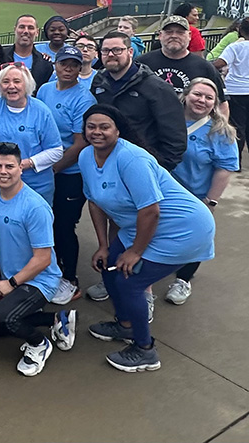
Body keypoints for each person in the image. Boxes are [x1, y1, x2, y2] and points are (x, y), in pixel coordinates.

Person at [80, 105, 215, 372]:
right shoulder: (86, 156)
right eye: (91, 126)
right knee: (107, 267)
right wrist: (104, 246)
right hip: (140, 225)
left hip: (183, 229)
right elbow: (95, 202)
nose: (97, 132)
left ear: (118, 130)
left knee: (129, 282)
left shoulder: (132, 159)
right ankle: (125, 325)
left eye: (104, 127)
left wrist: (135, 252)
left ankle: (145, 350)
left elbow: (150, 210)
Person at [0, 142, 75, 377]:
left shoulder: (35, 207)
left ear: (20, 168)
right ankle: (57, 318)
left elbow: (42, 260)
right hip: (6, 277)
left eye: (9, 166)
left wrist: (10, 284)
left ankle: (39, 344)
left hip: (39, 280)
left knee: (3, 318)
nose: (3, 171)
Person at [164, 79, 238, 305]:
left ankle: (183, 279)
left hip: (195, 197)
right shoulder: (166, 120)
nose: (202, 101)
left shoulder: (220, 132)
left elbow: (224, 168)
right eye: (197, 94)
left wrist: (210, 201)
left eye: (209, 98)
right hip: (164, 193)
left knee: (195, 239)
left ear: (215, 103)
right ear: (185, 95)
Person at [36, 46, 97, 304]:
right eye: (64, 63)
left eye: (74, 64)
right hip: (45, 168)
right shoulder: (45, 89)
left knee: (63, 225)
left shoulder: (84, 98)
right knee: (44, 223)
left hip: (68, 172)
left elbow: (80, 143)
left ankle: (71, 279)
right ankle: (48, 269)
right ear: (56, 65)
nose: (68, 68)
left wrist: (54, 169)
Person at [90, 31, 186, 171]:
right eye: (105, 50)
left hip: (141, 166)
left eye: (117, 50)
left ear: (130, 52)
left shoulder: (156, 88)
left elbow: (175, 137)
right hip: (105, 164)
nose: (110, 54)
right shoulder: (99, 81)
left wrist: (158, 167)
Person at [0, 63, 63, 206]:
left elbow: (56, 151)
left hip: (36, 186)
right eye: (6, 81)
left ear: (27, 84)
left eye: (17, 81)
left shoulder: (41, 111)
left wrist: (24, 164)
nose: (11, 86)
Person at [138, 15, 227, 117]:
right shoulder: (142, 63)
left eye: (180, 32)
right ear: (160, 35)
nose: (174, 36)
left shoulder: (205, 67)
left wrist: (221, 130)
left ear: (189, 35)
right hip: (147, 125)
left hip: (189, 128)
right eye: (169, 32)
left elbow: (222, 103)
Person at [214, 19, 249, 160]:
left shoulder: (235, 47)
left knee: (237, 126)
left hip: (236, 91)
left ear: (240, 30)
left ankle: (236, 160)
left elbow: (220, 63)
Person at [3, 15, 53, 91]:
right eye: (22, 27)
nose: (26, 31)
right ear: (15, 29)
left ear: (37, 32)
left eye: (30, 28)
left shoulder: (45, 63)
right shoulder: (1, 57)